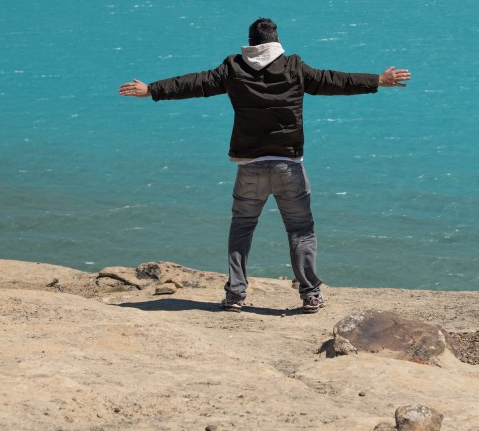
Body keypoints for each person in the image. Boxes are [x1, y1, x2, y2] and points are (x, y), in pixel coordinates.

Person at [118, 17, 410, 314]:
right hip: (288, 166)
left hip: (250, 167)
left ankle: (235, 295)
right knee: (300, 230)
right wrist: (377, 80)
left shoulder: (233, 68)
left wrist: (151, 89)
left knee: (242, 228)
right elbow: (332, 80)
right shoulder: (294, 67)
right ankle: (310, 294)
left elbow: (195, 83)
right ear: (276, 39)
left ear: (250, 41)